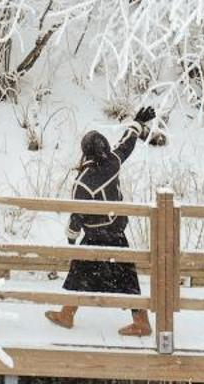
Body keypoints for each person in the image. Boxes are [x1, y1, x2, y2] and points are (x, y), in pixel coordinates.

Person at [45, 105, 157, 337]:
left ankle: (68, 314)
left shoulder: (83, 182)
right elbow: (126, 143)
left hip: (96, 235)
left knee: (81, 272)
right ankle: (139, 320)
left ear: (85, 153)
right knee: (123, 275)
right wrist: (137, 122)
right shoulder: (112, 162)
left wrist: (71, 235)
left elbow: (78, 213)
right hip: (116, 231)